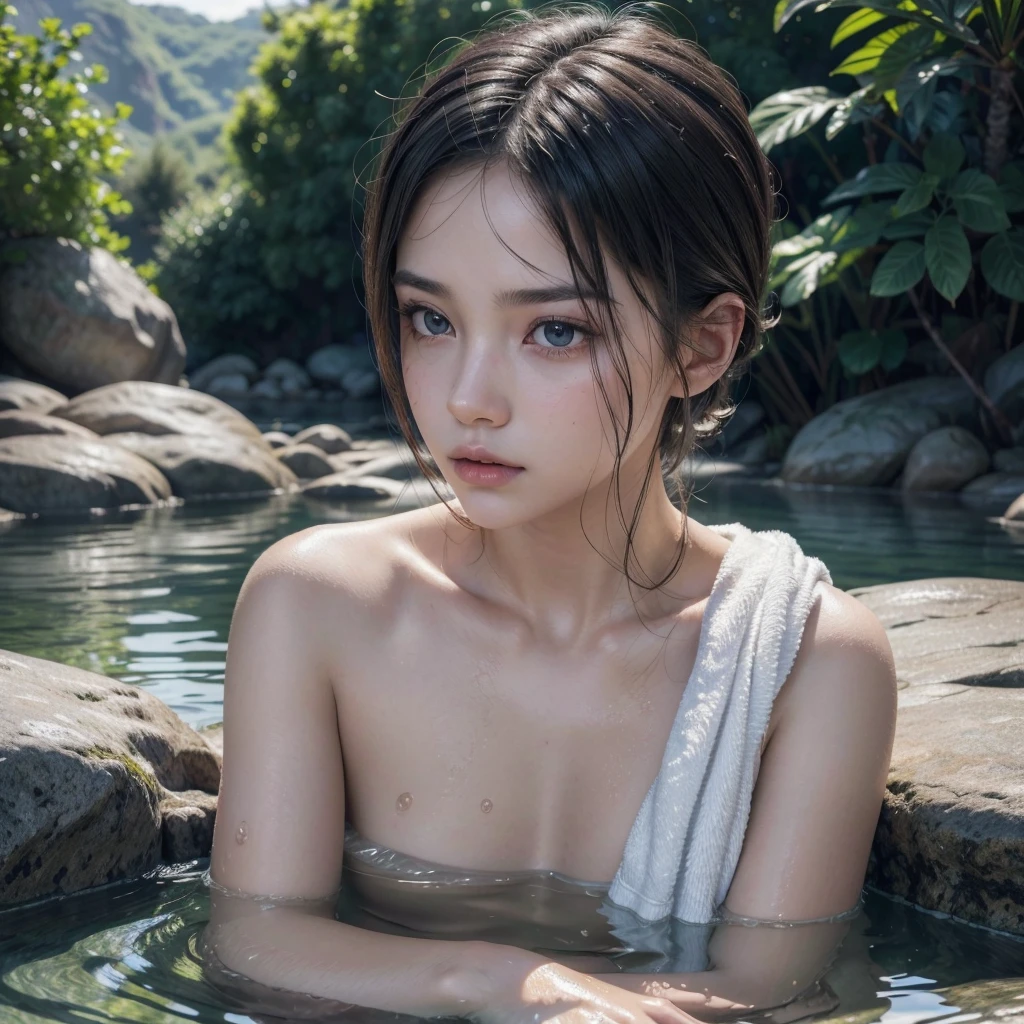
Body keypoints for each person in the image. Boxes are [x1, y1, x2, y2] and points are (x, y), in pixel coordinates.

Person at [202, 4, 898, 1022]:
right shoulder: (319, 608)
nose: (468, 396)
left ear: (701, 347)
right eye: (429, 318)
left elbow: (770, 992)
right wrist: (492, 979)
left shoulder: (806, 660)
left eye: (555, 331)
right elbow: (254, 942)